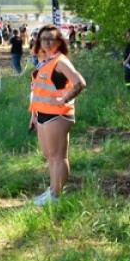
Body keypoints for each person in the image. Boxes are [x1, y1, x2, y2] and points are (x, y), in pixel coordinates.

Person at [29, 25, 87, 206]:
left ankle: (56, 195)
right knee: (49, 155)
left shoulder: (61, 61)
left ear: (59, 41)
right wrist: (34, 115)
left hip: (57, 116)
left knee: (58, 156)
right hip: (42, 115)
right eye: (43, 38)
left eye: (50, 39)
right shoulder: (45, 61)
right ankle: (52, 190)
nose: (46, 42)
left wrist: (63, 100)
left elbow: (80, 83)